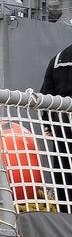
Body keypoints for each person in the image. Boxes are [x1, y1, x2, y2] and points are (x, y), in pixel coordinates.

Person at [41, 45, 72, 206]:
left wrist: (48, 126)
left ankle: (65, 221)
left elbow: (46, 97)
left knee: (64, 181)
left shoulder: (57, 60)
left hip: (62, 129)